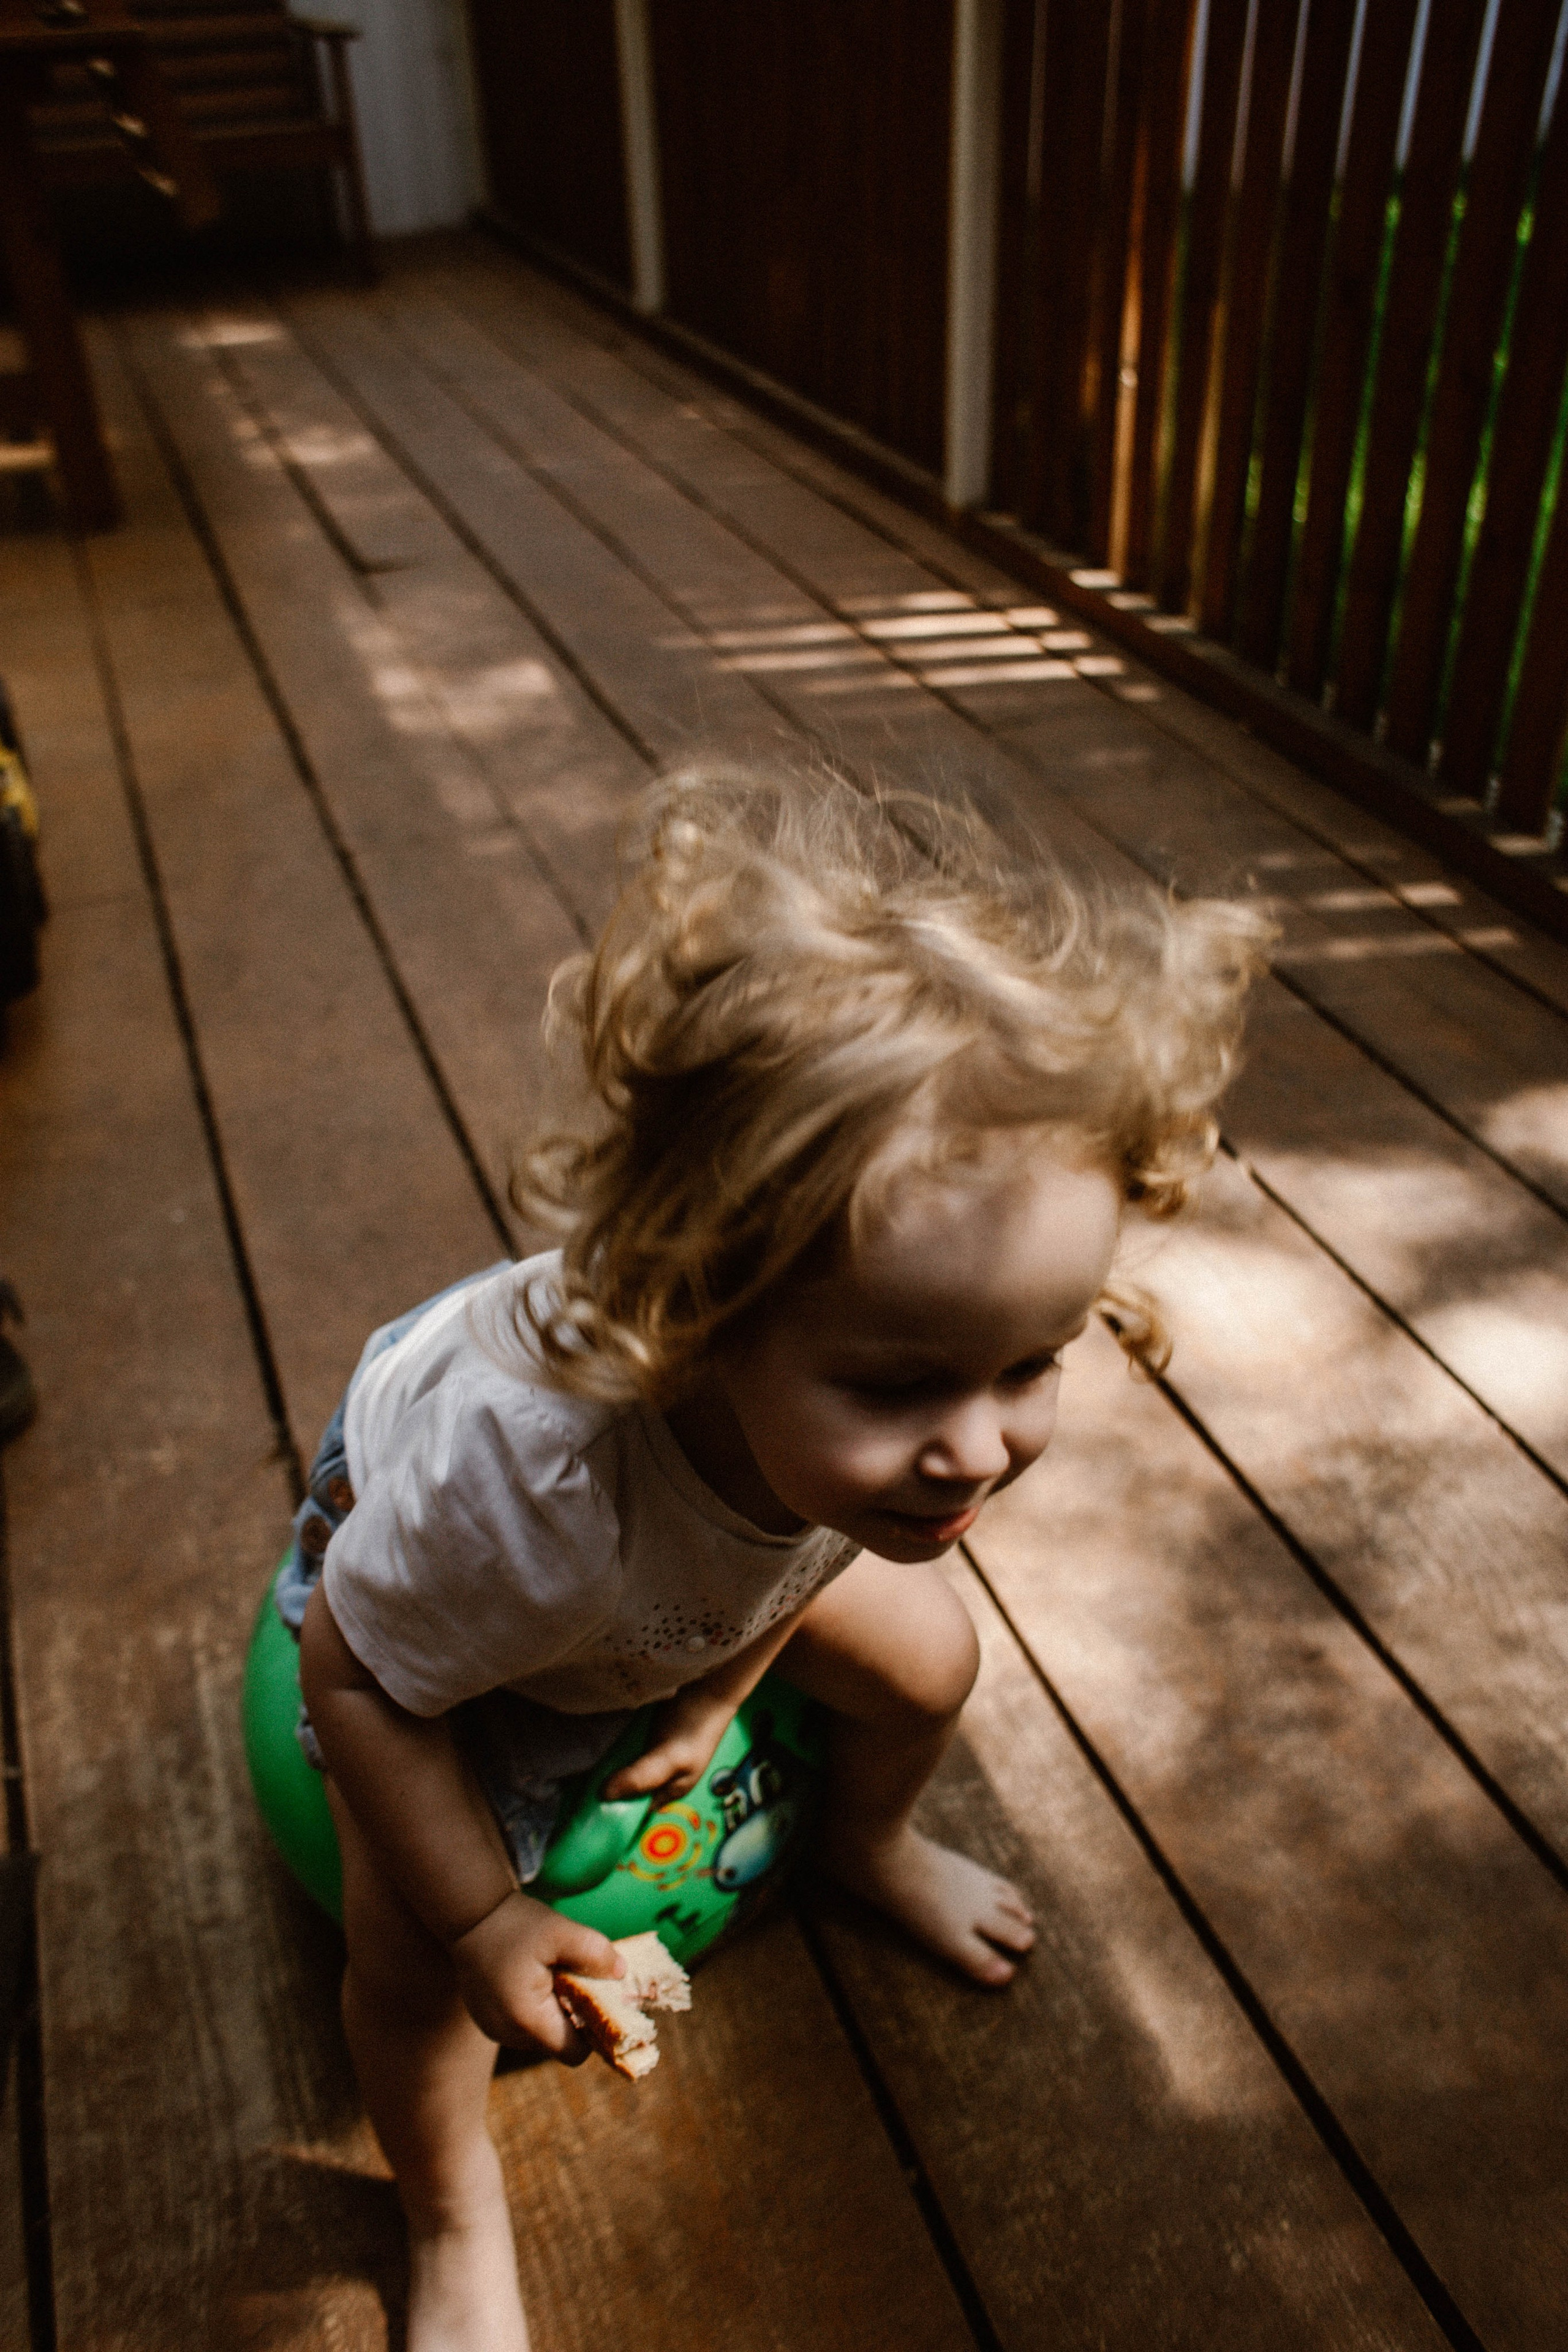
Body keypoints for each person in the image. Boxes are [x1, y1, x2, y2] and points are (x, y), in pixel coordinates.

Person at [290, 764, 1271, 2351]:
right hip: (417, 1605)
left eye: (1032, 1362)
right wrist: (483, 1921)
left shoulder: (856, 1429)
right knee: (402, 1958)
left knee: (936, 1655)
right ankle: (450, 2218)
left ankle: (864, 1846)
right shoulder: (518, 1497)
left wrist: (702, 1701)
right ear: (704, 1319)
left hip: (679, 1563)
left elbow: (796, 1549)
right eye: (901, 1387)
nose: (974, 1451)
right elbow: (349, 1665)